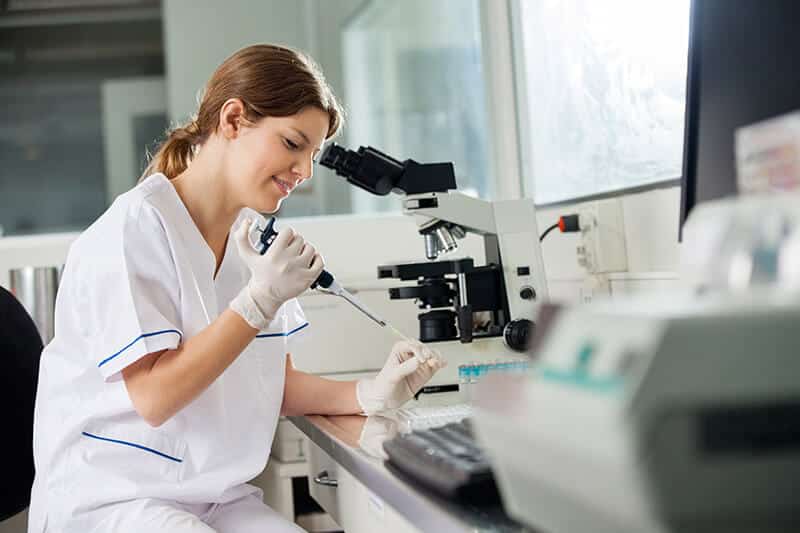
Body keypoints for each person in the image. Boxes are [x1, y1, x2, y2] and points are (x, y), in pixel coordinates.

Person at [28, 44, 445, 533]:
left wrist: (370, 393)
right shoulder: (135, 228)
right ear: (232, 120)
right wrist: (259, 300)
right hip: (115, 498)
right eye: (292, 144)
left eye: (312, 155)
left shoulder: (251, 238)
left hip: (213, 498)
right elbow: (155, 398)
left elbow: (273, 384)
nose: (305, 172)